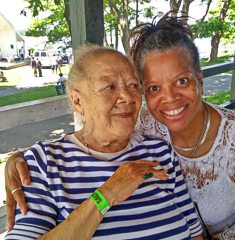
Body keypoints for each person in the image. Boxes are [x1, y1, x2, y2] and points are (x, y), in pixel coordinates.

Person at [4, 45, 203, 240]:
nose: (127, 96)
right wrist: (106, 195)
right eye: (109, 87)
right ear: (78, 101)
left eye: (133, 85)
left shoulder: (160, 151)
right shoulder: (45, 162)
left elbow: (195, 234)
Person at [127, 12, 235, 239]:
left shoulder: (231, 137)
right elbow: (88, 139)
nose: (170, 98)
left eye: (181, 81)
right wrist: (30, 161)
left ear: (200, 80)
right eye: (155, 88)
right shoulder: (140, 125)